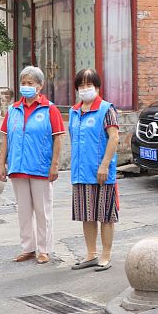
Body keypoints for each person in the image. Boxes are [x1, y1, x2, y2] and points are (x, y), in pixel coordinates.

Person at [0, 66, 65, 264]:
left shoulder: (49, 109)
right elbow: (6, 138)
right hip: (18, 166)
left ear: (40, 86)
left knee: (43, 211)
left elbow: (58, 138)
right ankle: (27, 248)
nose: (26, 87)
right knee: (23, 211)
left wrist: (54, 165)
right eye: (23, 83)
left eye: (30, 83)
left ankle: (43, 249)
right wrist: (1, 164)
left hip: (40, 167)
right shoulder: (13, 110)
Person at [68, 68, 120, 273]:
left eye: (89, 85)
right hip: (81, 172)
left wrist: (105, 164)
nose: (85, 89)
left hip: (101, 172)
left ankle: (106, 255)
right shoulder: (74, 111)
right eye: (81, 85)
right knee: (86, 214)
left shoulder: (106, 109)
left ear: (97, 87)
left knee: (106, 215)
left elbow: (114, 138)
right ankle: (91, 254)